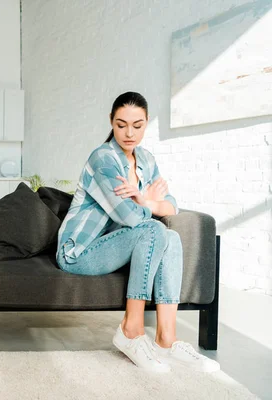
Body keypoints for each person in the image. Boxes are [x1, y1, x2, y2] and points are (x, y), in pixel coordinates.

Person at [57, 92, 219, 373]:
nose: (129, 133)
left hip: (117, 245)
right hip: (80, 251)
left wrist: (143, 198)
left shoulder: (145, 158)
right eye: (121, 125)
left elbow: (172, 206)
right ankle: (131, 330)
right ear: (111, 122)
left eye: (137, 125)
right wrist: (149, 203)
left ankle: (166, 339)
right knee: (154, 229)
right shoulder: (103, 158)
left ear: (146, 124)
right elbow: (129, 217)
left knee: (171, 235)